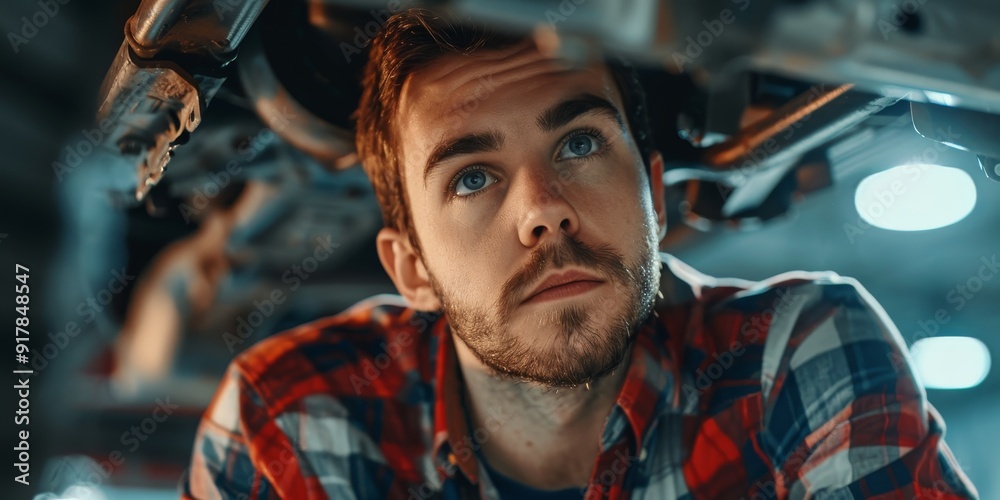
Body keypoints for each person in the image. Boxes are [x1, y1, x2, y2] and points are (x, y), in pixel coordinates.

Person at [182, 8, 977, 499]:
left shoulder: (793, 362)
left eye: (581, 142)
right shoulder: (285, 421)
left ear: (655, 197)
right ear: (411, 269)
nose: (542, 213)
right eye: (473, 178)